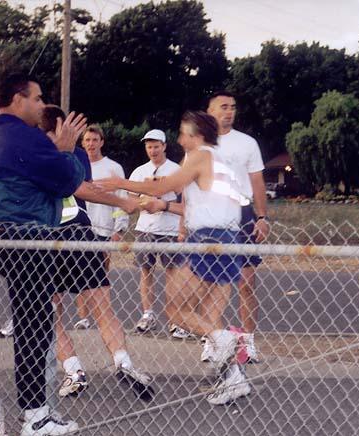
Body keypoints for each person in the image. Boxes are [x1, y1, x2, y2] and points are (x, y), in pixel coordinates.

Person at [98, 111, 251, 405]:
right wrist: (159, 204)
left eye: (183, 133)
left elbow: (160, 186)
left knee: (176, 310)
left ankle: (225, 339)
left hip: (209, 240)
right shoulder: (218, 159)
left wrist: (120, 183)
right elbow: (175, 193)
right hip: (227, 238)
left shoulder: (201, 155)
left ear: (196, 135)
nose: (179, 139)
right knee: (206, 315)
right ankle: (233, 377)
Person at [0, 74, 86, 435]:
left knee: (31, 322)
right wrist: (65, 149)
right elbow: (67, 181)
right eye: (37, 99)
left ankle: (37, 413)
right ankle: (36, 416)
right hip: (26, 237)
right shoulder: (24, 135)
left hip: (1, 237)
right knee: (35, 325)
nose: (41, 106)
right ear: (17, 98)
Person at [39, 105, 153, 401]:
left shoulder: (61, 153)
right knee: (93, 308)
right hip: (69, 235)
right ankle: (118, 363)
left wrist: (121, 204)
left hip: (62, 236)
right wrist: (123, 202)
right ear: (55, 130)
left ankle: (79, 370)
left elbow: (81, 188)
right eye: (69, 128)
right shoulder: (59, 154)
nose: (77, 135)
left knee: (61, 312)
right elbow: (82, 189)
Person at [207, 91, 269, 363]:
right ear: (210, 111)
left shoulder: (247, 143)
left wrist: (262, 217)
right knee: (210, 283)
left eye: (232, 107)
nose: (229, 111)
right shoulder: (200, 145)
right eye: (223, 107)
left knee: (246, 282)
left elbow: (257, 181)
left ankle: (248, 342)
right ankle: (212, 341)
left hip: (241, 215)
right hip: (210, 216)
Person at [128, 129, 187, 338]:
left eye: (156, 146)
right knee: (146, 273)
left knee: (173, 275)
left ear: (164, 146)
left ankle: (175, 320)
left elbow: (185, 202)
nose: (152, 150)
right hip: (146, 229)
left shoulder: (175, 170)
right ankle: (147, 314)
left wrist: (162, 205)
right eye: (148, 146)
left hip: (169, 230)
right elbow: (130, 200)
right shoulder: (139, 171)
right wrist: (142, 203)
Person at [72, 125, 129, 330]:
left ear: (102, 142)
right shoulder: (77, 165)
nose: (91, 144)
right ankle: (83, 317)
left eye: (95, 140)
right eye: (87, 140)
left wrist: (118, 229)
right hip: (82, 229)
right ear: (82, 143)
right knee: (81, 273)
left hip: (105, 230)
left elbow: (121, 199)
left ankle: (103, 317)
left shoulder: (113, 168)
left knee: (101, 276)